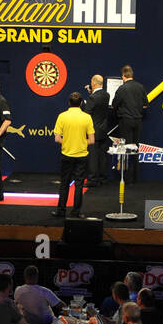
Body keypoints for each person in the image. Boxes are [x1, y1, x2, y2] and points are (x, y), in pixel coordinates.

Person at [51, 92, 94, 220]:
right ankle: (76, 212)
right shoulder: (87, 117)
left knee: (64, 183)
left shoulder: (62, 116)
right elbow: (91, 141)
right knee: (79, 184)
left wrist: (69, 141)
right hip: (82, 155)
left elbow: (57, 139)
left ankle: (61, 210)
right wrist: (80, 142)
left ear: (69, 103)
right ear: (81, 103)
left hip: (67, 155)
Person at [111, 65, 147, 181]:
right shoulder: (140, 87)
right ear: (131, 75)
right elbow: (145, 104)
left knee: (126, 149)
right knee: (136, 148)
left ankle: (126, 178)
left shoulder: (122, 89)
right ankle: (135, 177)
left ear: (123, 76)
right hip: (137, 120)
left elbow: (114, 105)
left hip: (125, 121)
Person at [83, 74, 110, 186]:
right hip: (103, 129)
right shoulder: (106, 95)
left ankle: (93, 180)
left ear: (93, 83)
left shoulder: (92, 98)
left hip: (93, 131)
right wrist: (91, 93)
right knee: (102, 156)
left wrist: (85, 103)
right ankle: (103, 178)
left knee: (93, 156)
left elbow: (87, 113)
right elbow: (98, 104)